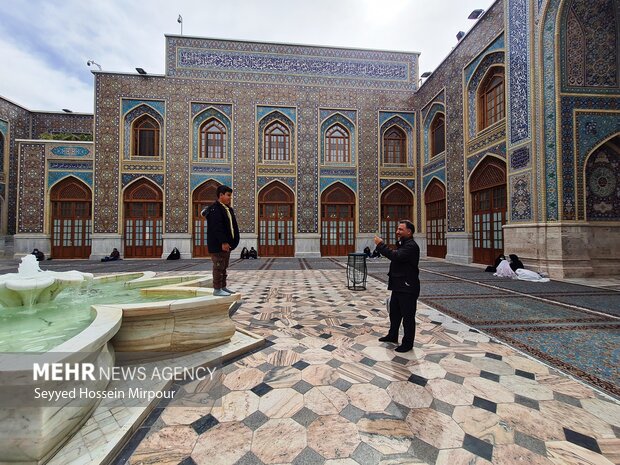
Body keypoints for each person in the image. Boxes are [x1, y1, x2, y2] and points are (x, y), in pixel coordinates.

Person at [373, 220, 420, 353]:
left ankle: (407, 343)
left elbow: (396, 256)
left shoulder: (411, 246)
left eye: (400, 229)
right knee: (394, 313)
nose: (397, 231)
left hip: (408, 287)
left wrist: (381, 245)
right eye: (397, 229)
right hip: (399, 286)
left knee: (408, 317)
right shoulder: (404, 244)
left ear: (409, 231)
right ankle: (393, 335)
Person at [202, 185, 240, 296]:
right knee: (218, 267)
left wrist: (230, 243)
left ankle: (223, 287)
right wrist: (223, 242)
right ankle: (217, 289)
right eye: (228, 195)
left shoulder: (226, 209)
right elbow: (217, 227)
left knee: (223, 267)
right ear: (221, 195)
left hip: (227, 245)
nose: (230, 198)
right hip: (218, 245)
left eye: (230, 196)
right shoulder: (215, 209)